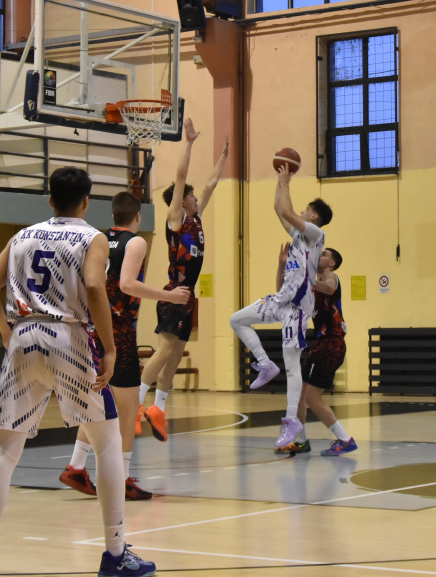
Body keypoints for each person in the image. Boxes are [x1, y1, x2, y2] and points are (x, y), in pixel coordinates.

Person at [0, 167, 155, 577]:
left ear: (50, 200)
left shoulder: (21, 236)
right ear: (87, 202)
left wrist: (4, 329)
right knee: (107, 442)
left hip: (23, 337)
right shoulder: (92, 237)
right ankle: (116, 553)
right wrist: (109, 348)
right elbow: (94, 287)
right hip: (67, 338)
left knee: (5, 452)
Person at [59, 192, 190, 500]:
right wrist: (169, 295)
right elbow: (127, 284)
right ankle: (123, 478)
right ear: (138, 216)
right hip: (118, 330)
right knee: (128, 408)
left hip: (91, 328)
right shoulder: (136, 242)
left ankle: (76, 466)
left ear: (113, 215)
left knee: (98, 402)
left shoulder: (98, 239)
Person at [138, 120, 228, 441]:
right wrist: (188, 143)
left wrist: (223, 157)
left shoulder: (197, 217)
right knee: (165, 351)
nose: (194, 196)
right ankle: (135, 404)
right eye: (190, 195)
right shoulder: (175, 220)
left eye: (191, 195)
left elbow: (211, 184)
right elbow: (180, 177)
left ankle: (158, 410)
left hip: (188, 299)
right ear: (182, 200)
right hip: (173, 294)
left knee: (175, 357)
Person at [230, 165, 331, 449]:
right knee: (237, 319)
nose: (301, 211)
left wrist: (286, 182)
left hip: (297, 309)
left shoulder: (316, 235)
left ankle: (291, 421)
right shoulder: (298, 236)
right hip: (281, 300)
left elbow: (286, 211)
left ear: (313, 216)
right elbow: (279, 209)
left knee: (292, 367)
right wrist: (279, 180)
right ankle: (265, 363)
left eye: (306, 209)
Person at [274, 247, 357, 456]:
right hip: (321, 344)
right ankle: (301, 441)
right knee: (299, 395)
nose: (320, 254)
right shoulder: (312, 285)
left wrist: (306, 277)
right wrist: (282, 265)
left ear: (332, 263)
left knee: (312, 398)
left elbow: (329, 288)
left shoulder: (330, 277)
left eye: (325, 254)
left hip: (331, 343)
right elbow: (282, 294)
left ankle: (345, 439)